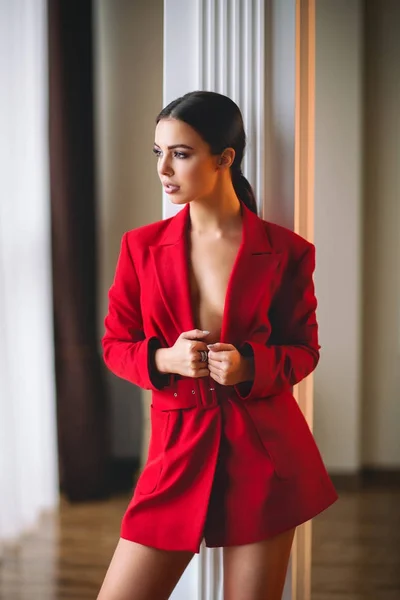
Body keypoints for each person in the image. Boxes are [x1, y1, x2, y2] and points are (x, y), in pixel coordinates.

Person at [97, 91, 339, 600]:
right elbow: (115, 344)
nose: (164, 167)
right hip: (175, 450)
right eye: (158, 152)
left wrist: (250, 365)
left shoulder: (286, 252)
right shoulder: (139, 248)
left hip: (266, 456)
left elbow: (304, 349)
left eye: (181, 153)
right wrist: (166, 358)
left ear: (225, 158)